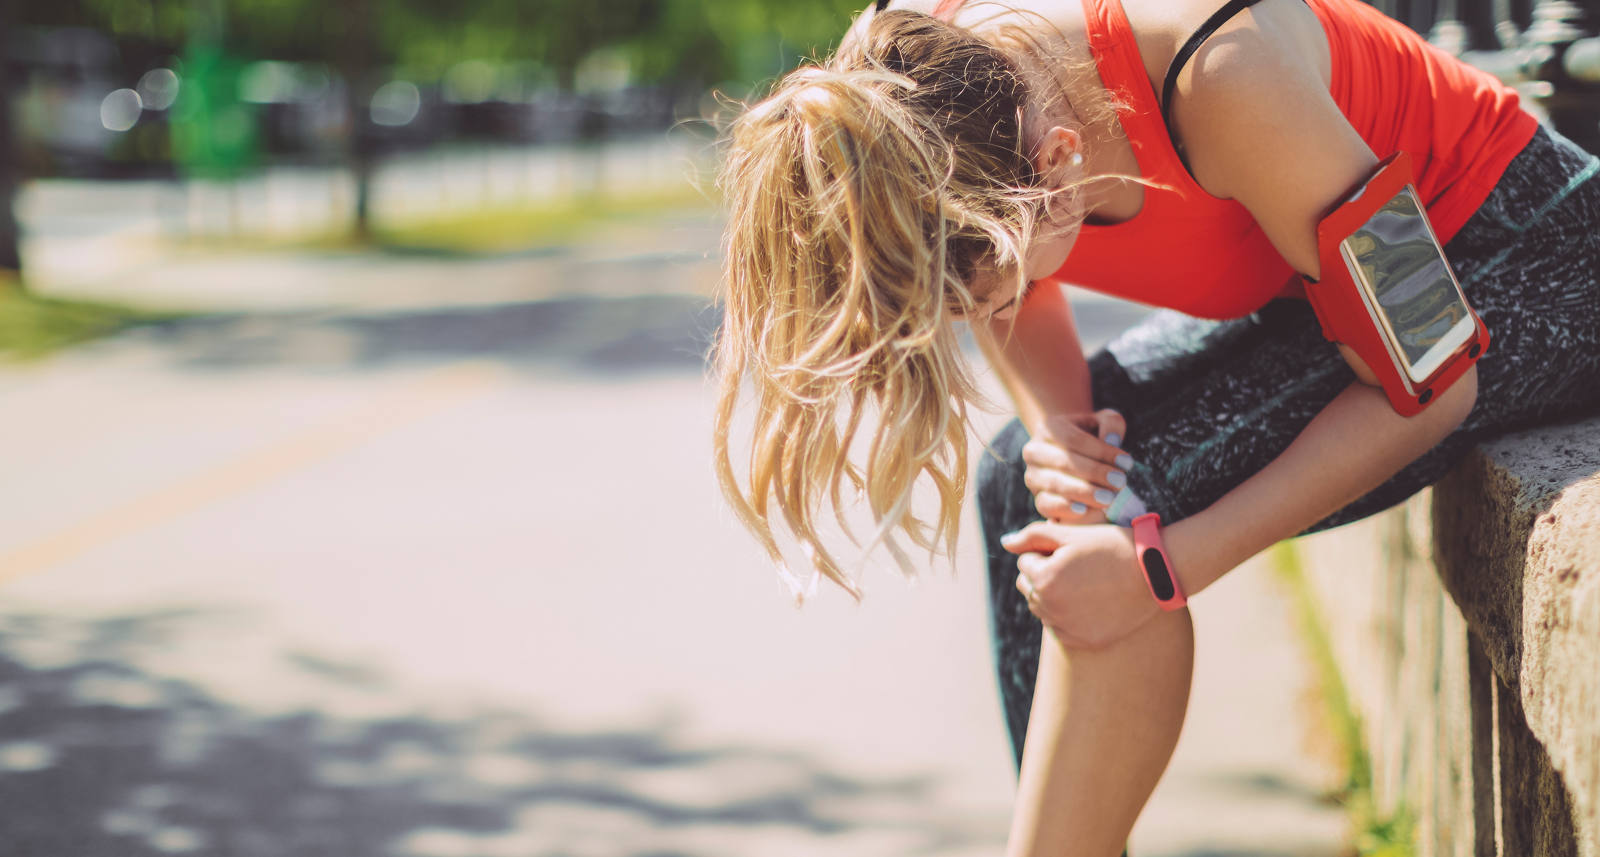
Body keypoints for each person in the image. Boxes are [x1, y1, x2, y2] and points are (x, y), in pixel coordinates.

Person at [710, 0, 1600, 852]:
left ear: (1059, 164)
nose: (982, 319)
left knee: (1122, 512)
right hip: (1327, 299)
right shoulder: (904, 78)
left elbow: (1436, 379)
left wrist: (1160, 569)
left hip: (1525, 259)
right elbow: (1010, 282)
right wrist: (1061, 432)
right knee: (1023, 477)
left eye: (982, 296)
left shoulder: (1227, 75)